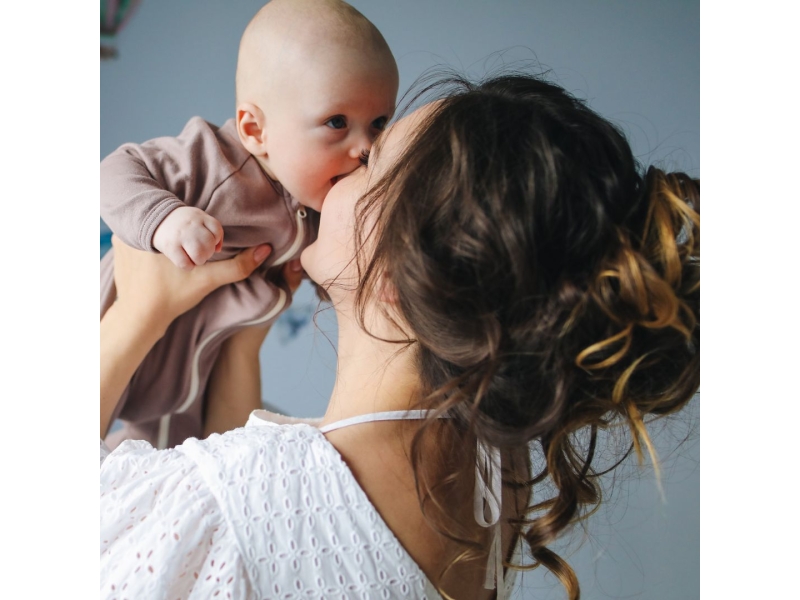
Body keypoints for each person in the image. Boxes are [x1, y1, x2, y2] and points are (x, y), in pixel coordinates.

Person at [100, 72, 700, 600]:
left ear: (394, 271)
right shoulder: (492, 469)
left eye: (370, 162)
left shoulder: (231, 501)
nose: (341, 167)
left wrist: (134, 320)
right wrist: (241, 332)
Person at [99, 0, 399, 449]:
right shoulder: (212, 161)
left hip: (188, 384)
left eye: (378, 124)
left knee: (173, 470)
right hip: (108, 337)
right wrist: (165, 219)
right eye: (337, 122)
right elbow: (113, 171)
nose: (365, 147)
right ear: (255, 131)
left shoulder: (319, 203)